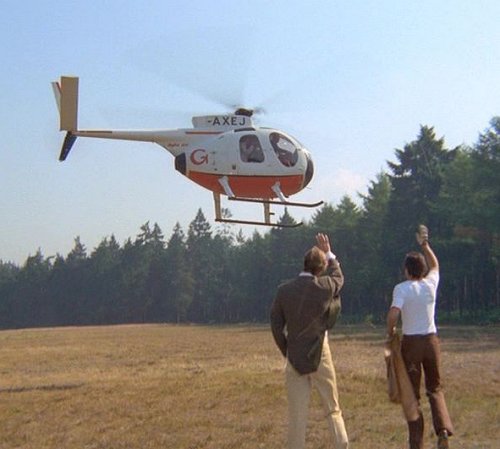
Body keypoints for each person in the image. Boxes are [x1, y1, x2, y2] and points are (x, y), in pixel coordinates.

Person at [270, 233, 349, 449]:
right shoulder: (323, 287)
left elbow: (276, 324)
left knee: (297, 415)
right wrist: (330, 253)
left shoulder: (284, 290)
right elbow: (339, 278)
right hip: (319, 351)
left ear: (304, 264)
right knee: (332, 408)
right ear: (320, 268)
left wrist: (286, 349)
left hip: (295, 353)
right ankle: (342, 444)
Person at [386, 225, 454, 449]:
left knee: (412, 394)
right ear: (422, 269)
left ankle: (416, 442)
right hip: (432, 341)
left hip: (412, 344)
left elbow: (394, 314)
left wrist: (391, 332)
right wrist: (425, 245)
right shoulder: (430, 284)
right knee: (435, 388)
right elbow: (435, 265)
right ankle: (442, 430)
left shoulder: (402, 289)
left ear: (407, 270)